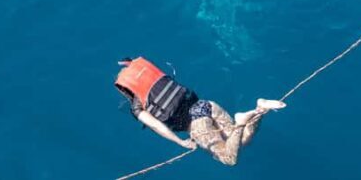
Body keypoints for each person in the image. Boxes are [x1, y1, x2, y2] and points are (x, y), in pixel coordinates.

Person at [114, 57, 285, 165]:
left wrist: (180, 142)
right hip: (206, 105)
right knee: (242, 140)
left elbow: (158, 126)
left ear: (126, 90)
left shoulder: (137, 106)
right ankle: (258, 109)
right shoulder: (157, 77)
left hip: (195, 124)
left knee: (229, 158)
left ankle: (241, 121)